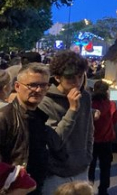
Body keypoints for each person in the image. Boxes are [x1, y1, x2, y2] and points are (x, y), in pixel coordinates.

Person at [0, 64, 79, 195]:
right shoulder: (5, 117)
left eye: (43, 85)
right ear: (17, 86)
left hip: (35, 187)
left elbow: (56, 143)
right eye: (32, 85)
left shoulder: (39, 116)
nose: (38, 90)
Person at [39, 52, 93, 195]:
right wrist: (72, 109)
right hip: (55, 173)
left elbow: (89, 130)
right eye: (70, 78)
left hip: (81, 168)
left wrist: (87, 157)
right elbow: (55, 141)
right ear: (57, 77)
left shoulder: (85, 96)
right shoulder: (45, 101)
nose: (77, 82)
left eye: (80, 76)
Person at [88, 81, 117, 195]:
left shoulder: (90, 104)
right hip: (106, 139)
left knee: (90, 166)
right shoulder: (111, 104)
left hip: (92, 140)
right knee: (105, 167)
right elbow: (115, 120)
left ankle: (88, 189)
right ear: (106, 91)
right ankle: (103, 190)